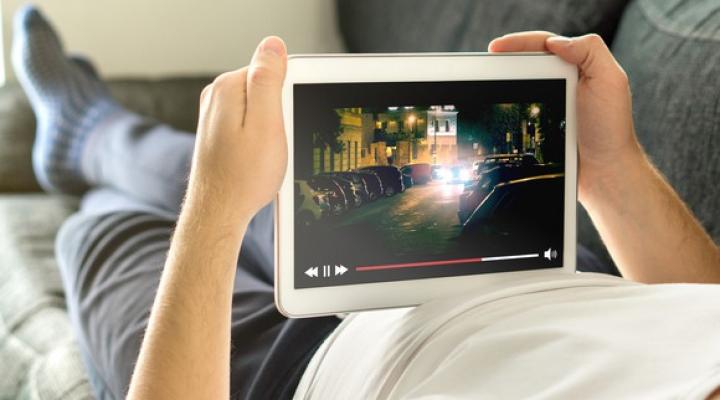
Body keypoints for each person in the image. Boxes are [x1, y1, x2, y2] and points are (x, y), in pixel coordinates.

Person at [11, 5, 719, 400]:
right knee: (244, 169)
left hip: (319, 366)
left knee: (111, 232)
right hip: (552, 266)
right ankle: (92, 135)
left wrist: (213, 217)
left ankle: (93, 154)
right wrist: (609, 166)